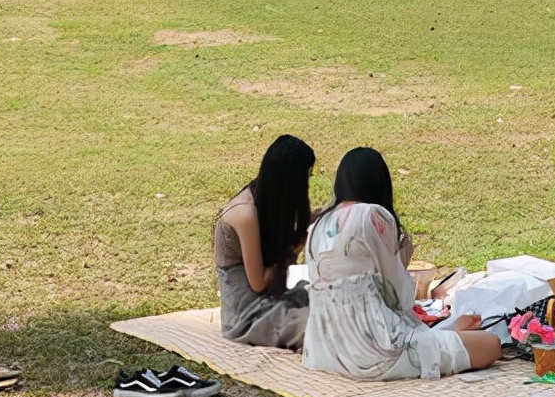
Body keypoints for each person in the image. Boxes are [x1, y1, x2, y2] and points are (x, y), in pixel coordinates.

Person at [303, 148, 501, 381]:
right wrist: (402, 257)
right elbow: (399, 297)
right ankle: (447, 334)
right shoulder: (373, 215)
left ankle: (448, 332)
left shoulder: (317, 225)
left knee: (452, 337)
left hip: (323, 352)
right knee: (491, 344)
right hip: (372, 353)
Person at [214, 134, 315, 350]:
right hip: (247, 317)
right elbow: (258, 283)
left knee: (329, 299)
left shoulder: (264, 201)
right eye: (306, 177)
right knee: (324, 324)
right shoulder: (245, 214)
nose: (307, 184)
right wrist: (293, 249)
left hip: (271, 304)